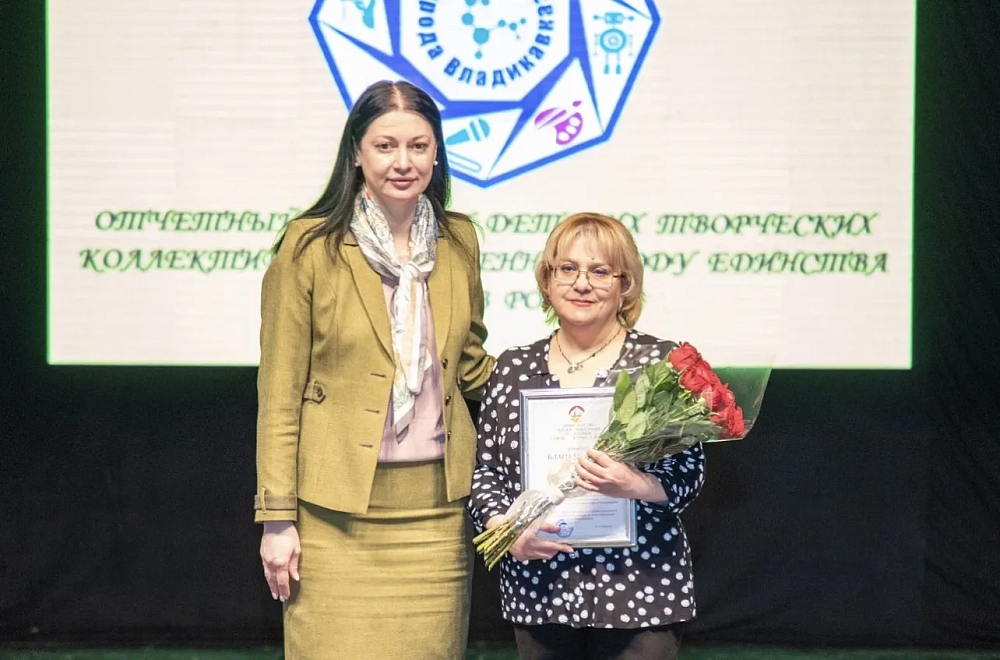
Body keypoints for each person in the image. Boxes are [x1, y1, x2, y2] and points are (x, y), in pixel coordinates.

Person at [254, 80, 494, 660]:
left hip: (436, 512)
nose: (403, 162)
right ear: (357, 153)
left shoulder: (458, 241)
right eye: (386, 146)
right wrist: (277, 518)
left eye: (418, 146)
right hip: (333, 513)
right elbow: (279, 394)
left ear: (436, 153)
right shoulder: (309, 246)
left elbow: (470, 365)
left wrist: (576, 371)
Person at [467, 213, 706, 660]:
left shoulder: (658, 363)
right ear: (547, 280)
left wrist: (635, 484)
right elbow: (486, 474)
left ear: (625, 285)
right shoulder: (514, 368)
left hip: (639, 584)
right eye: (567, 269)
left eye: (600, 271)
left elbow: (688, 476)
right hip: (541, 585)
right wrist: (505, 530)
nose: (582, 283)